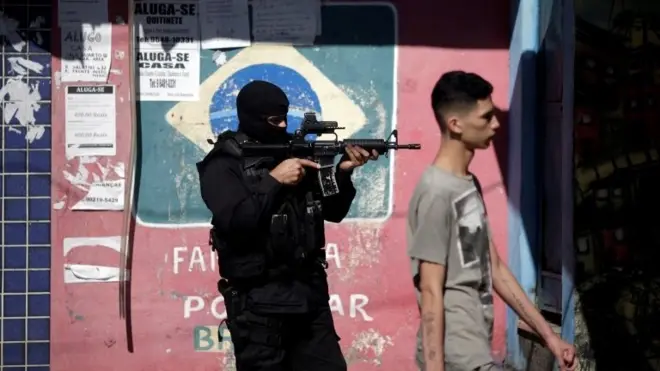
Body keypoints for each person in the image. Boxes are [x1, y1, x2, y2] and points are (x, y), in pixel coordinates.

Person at [197, 80, 378, 371]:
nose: (282, 125)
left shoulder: (291, 154)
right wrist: (274, 181)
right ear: (251, 117)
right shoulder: (223, 163)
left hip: (308, 296)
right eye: (273, 120)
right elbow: (236, 222)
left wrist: (343, 172)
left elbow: (333, 211)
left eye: (284, 117)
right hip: (259, 305)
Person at [406, 71, 577, 371]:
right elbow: (431, 291)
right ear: (455, 125)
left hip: (476, 349)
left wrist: (550, 338)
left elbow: (494, 267)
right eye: (486, 117)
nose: (496, 124)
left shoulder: (466, 183)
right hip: (456, 356)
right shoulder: (436, 192)